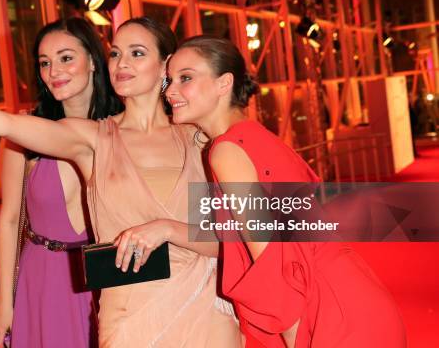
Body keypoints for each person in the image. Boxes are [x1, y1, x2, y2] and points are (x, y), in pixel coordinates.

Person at [0, 17, 240, 347]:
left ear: (166, 64)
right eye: (116, 53)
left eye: (137, 53)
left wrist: (169, 230)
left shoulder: (199, 139)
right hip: (130, 320)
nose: (121, 63)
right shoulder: (93, 139)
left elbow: (252, 234)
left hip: (203, 313)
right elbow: (0, 123)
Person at [165, 35, 407, 347]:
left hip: (327, 313)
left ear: (224, 83)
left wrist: (296, 337)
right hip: (348, 297)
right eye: (170, 80)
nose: (170, 91)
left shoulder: (226, 151)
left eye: (185, 78)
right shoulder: (254, 137)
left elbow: (272, 263)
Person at [0, 18, 122, 347]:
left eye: (66, 58)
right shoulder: (24, 134)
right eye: (45, 63)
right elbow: (9, 220)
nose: (54, 71)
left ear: (93, 61)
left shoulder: (123, 132)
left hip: (108, 275)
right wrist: (3, 301)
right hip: (44, 280)